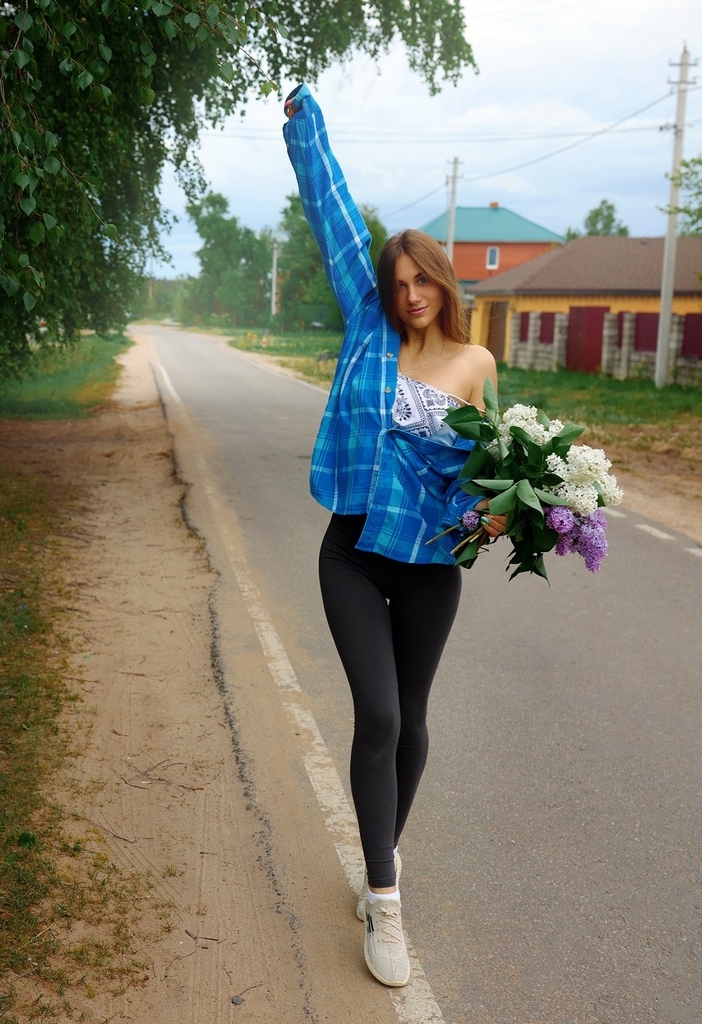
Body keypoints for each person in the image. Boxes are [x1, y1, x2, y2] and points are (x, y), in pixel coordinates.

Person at [282, 84, 505, 989]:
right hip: (352, 552)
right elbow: (335, 215)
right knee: (376, 715)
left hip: (430, 572)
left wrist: (497, 514)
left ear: (446, 282)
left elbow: (485, 475)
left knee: (413, 725)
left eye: (424, 280)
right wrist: (306, 126)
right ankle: (385, 903)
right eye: (398, 281)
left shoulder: (476, 364)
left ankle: (383, 850)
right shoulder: (369, 329)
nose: (410, 294)